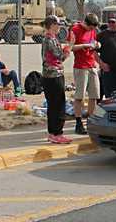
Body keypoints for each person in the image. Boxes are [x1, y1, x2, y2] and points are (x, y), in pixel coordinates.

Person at [41, 15, 72, 144]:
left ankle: (52, 132)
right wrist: (68, 48)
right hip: (54, 76)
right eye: (58, 24)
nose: (59, 27)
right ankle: (57, 132)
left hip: (50, 76)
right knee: (58, 104)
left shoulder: (51, 39)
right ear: (52, 25)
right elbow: (59, 57)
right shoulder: (50, 40)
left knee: (53, 105)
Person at [70, 13, 100, 135]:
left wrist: (96, 45)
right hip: (81, 67)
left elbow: (94, 41)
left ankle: (90, 121)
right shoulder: (75, 29)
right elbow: (70, 47)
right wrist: (84, 45)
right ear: (85, 23)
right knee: (79, 96)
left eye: (94, 29)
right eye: (91, 28)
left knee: (94, 95)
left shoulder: (92, 31)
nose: (92, 30)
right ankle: (78, 122)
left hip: (91, 64)